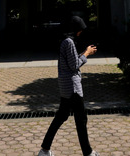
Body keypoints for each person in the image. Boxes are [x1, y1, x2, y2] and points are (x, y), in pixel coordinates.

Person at [38, 15, 99, 156]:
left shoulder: (65, 41)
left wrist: (84, 51)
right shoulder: (69, 42)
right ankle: (88, 152)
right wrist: (87, 54)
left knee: (61, 117)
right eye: (80, 30)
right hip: (73, 89)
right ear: (75, 29)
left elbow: (72, 60)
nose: (81, 33)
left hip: (66, 88)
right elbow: (74, 65)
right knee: (81, 120)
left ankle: (45, 150)